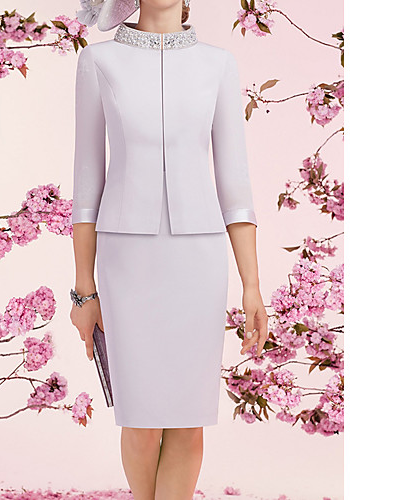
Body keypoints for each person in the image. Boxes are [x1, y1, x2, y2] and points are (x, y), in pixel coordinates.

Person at [70, 1, 269, 498]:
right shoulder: (98, 61)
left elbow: (235, 187)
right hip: (126, 262)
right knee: (139, 423)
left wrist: (252, 286)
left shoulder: (218, 64)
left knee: (187, 422)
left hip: (198, 259)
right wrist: (83, 292)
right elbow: (86, 188)